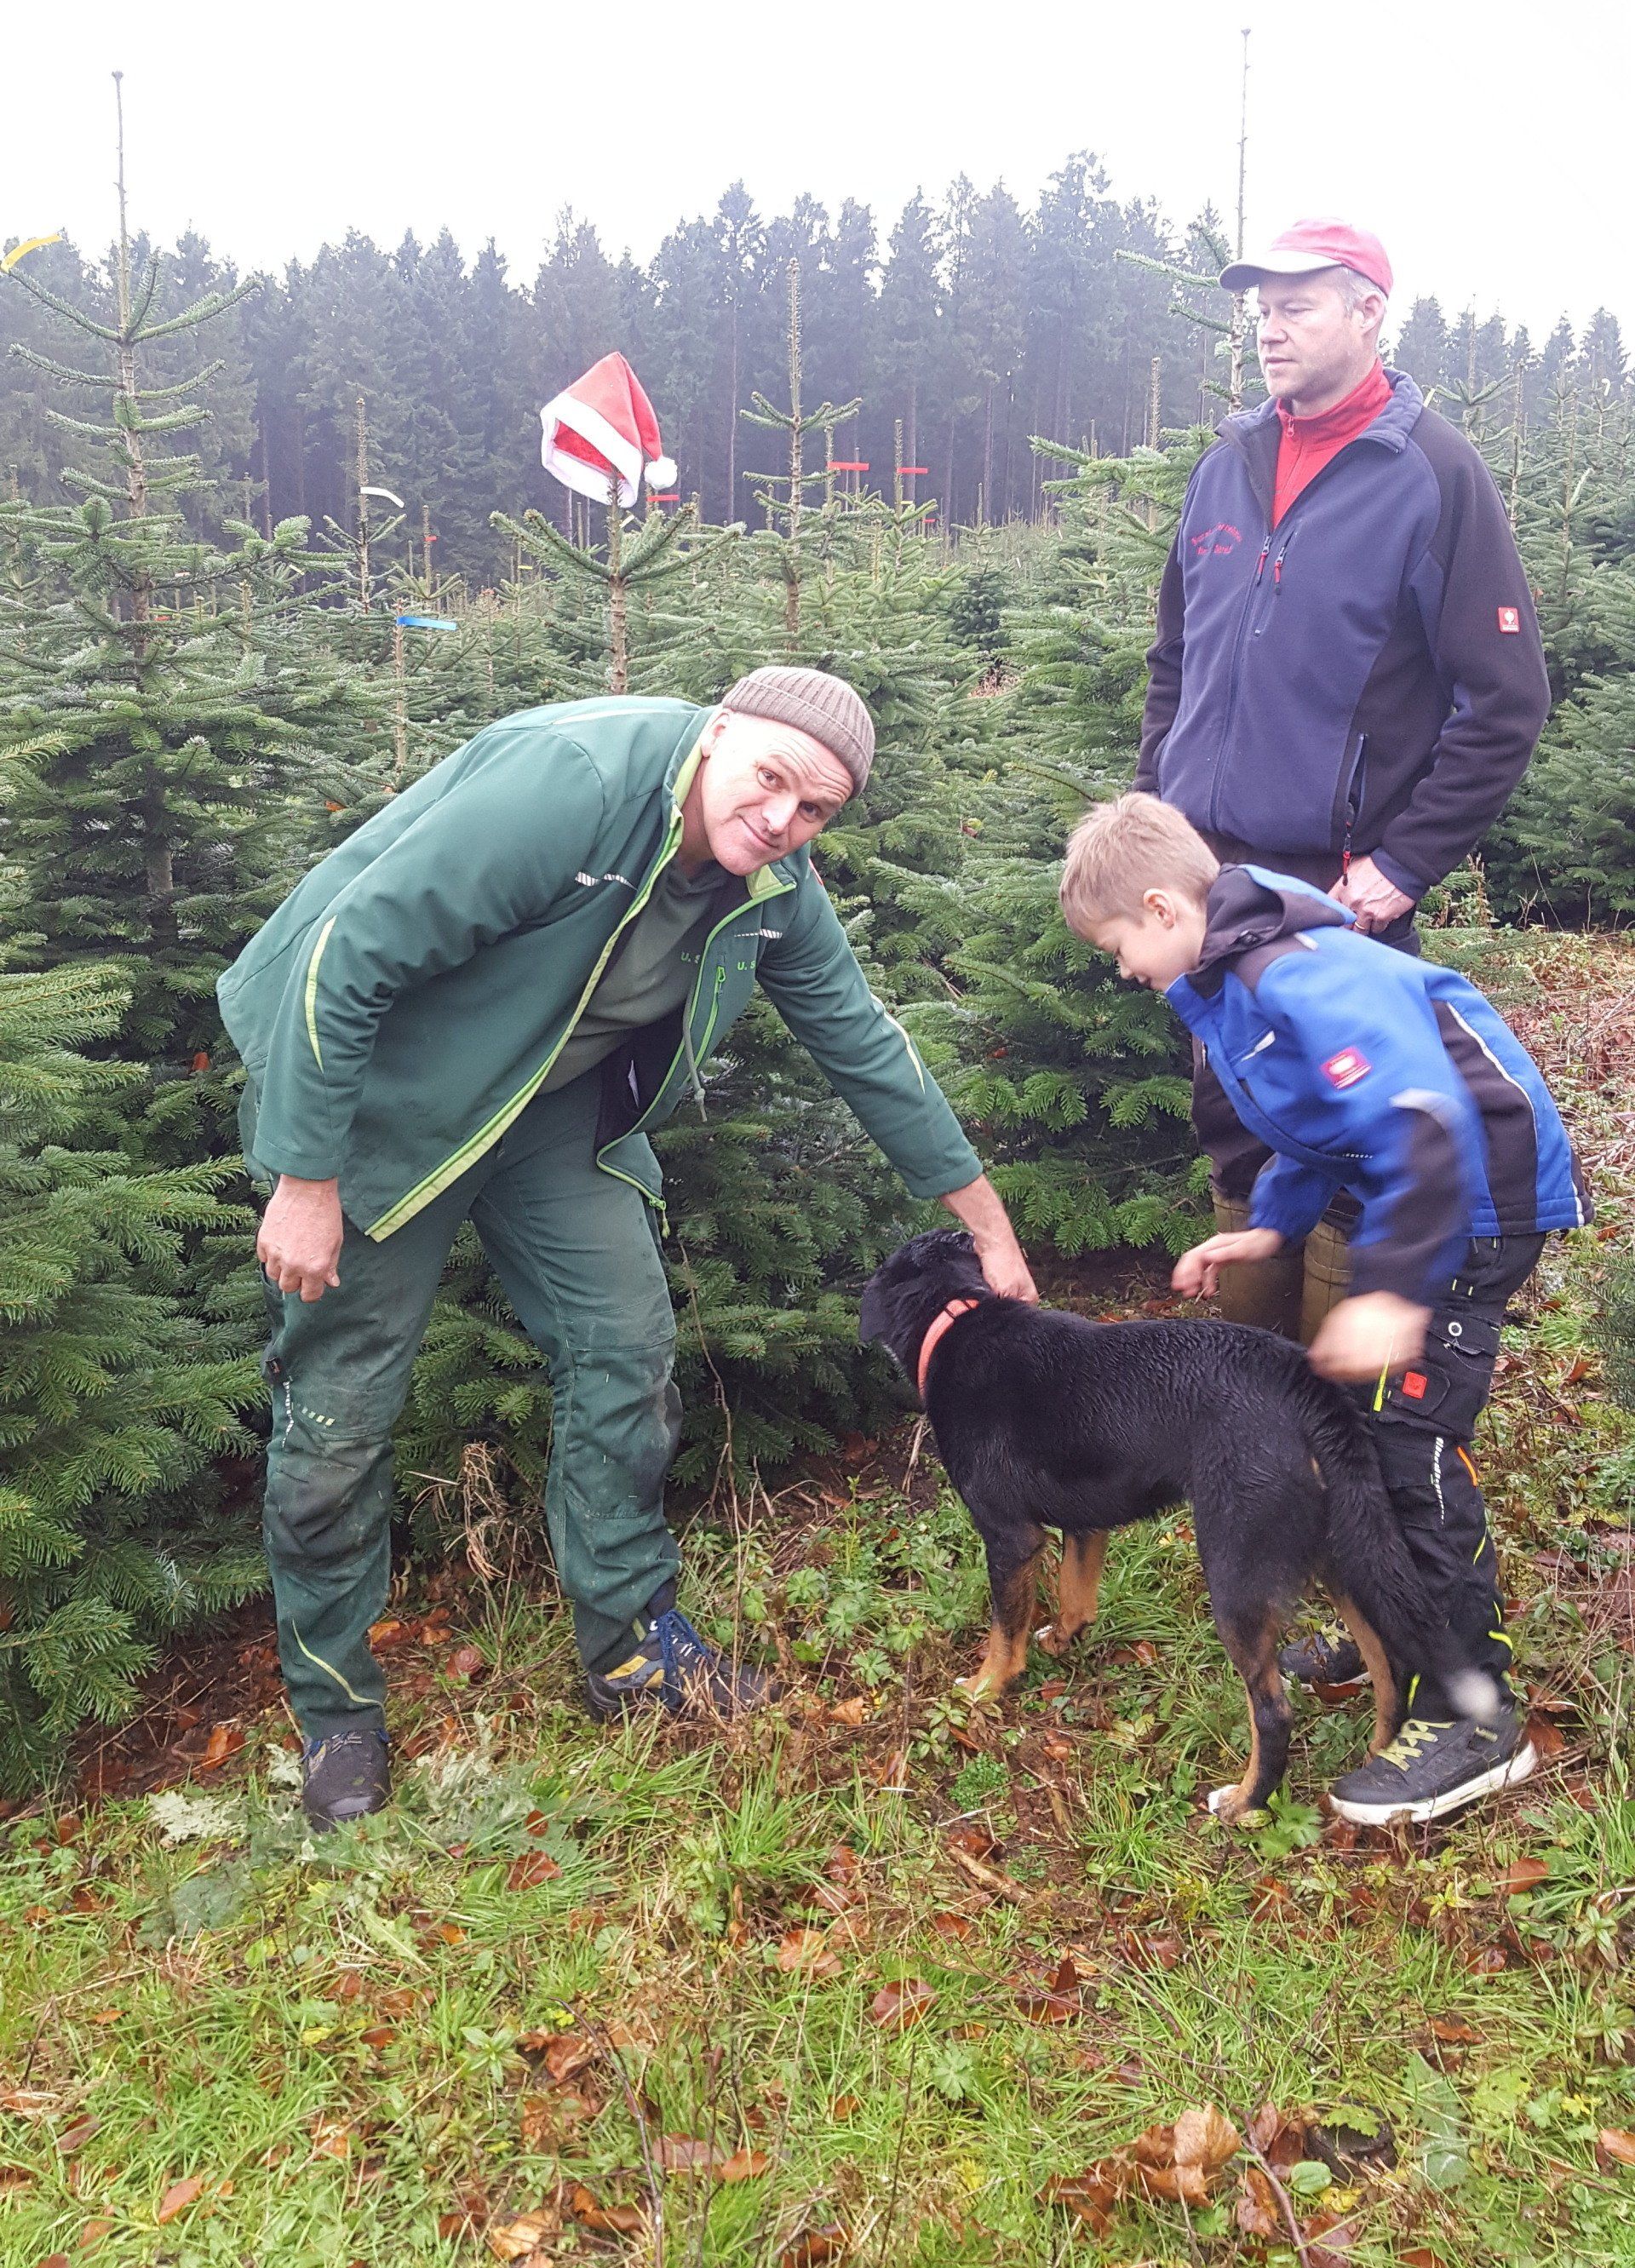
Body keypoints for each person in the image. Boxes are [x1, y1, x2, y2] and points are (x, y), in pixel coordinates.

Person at [219, 668, 1035, 1828]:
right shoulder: (573, 782)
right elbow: (346, 952)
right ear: (717, 734)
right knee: (341, 1402)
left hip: (548, 1109)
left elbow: (864, 1044)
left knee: (625, 1344)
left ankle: (631, 1647)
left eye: (817, 810)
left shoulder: (769, 885)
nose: (783, 820)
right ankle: (338, 1710)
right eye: (772, 779)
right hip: (378, 1104)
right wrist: (310, 1176)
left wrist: (989, 1231)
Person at [1059, 791, 1589, 1826]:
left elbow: (1420, 1124)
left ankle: (1475, 1714)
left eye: (1118, 944)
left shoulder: (1297, 972)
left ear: (1165, 909)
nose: (1121, 968)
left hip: (1473, 1209)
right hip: (1421, 1199)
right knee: (1366, 1424)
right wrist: (1268, 1226)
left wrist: (1390, 1291)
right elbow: (1319, 1129)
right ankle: (1392, 1620)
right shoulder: (1233, 981)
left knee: (1410, 1442)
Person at [1135, 218, 1551, 1343]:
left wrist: (1402, 865)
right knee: (1237, 1112)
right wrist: (1150, 824)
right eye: (1260, 306)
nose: (1270, 326)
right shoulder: (1228, 465)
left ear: (1370, 310)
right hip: (1209, 864)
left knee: (1355, 1120)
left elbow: (1506, 698)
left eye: (1299, 303)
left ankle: (1351, 1415)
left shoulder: (1432, 473)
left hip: (1335, 880)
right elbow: (1174, 661)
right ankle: (1252, 1407)